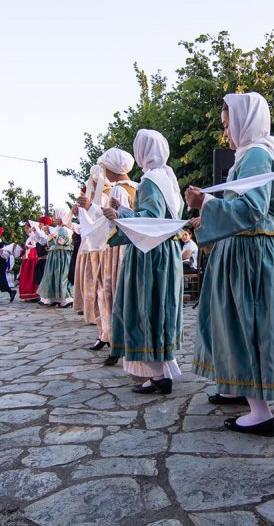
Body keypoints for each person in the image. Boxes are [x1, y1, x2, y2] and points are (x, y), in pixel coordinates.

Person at [185, 93, 274, 438]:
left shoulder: (257, 156)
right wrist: (209, 214)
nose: (226, 132)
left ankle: (261, 413)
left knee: (249, 323)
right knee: (234, 321)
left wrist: (207, 202)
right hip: (245, 250)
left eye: (228, 124)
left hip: (250, 254)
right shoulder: (252, 156)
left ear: (245, 121)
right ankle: (234, 386)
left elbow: (250, 211)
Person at [103, 129, 184, 391]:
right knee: (161, 308)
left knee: (146, 307)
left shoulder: (150, 180)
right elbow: (156, 215)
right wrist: (124, 210)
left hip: (150, 254)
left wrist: (116, 218)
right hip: (167, 252)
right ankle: (163, 371)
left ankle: (158, 377)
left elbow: (149, 220)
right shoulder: (167, 178)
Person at [77, 150, 138, 353]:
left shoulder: (118, 191)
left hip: (116, 246)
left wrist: (90, 207)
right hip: (131, 245)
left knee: (109, 292)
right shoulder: (136, 187)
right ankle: (113, 335)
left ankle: (113, 336)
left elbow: (110, 222)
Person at [37, 206, 75, 307]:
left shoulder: (63, 229)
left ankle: (66, 299)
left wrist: (52, 237)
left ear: (61, 216)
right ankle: (52, 298)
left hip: (60, 257)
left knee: (61, 276)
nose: (53, 218)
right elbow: (49, 243)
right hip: (55, 256)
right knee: (52, 276)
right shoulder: (58, 229)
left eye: (55, 215)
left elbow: (61, 242)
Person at [18, 224, 40, 301]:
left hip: (33, 258)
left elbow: (36, 244)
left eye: (27, 228)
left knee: (32, 277)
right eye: (26, 228)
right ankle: (28, 294)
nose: (26, 230)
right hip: (27, 258)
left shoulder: (34, 236)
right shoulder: (28, 238)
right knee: (27, 277)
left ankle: (34, 294)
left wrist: (29, 247)